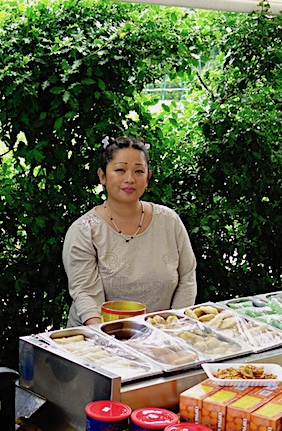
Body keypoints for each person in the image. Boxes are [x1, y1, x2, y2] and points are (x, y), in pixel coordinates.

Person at [62, 136, 197, 327]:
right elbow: (86, 295)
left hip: (161, 334)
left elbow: (187, 278)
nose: (130, 179)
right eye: (120, 170)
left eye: (139, 171)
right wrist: (108, 338)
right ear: (102, 176)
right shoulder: (85, 231)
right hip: (96, 336)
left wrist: (174, 328)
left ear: (147, 178)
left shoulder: (169, 221)